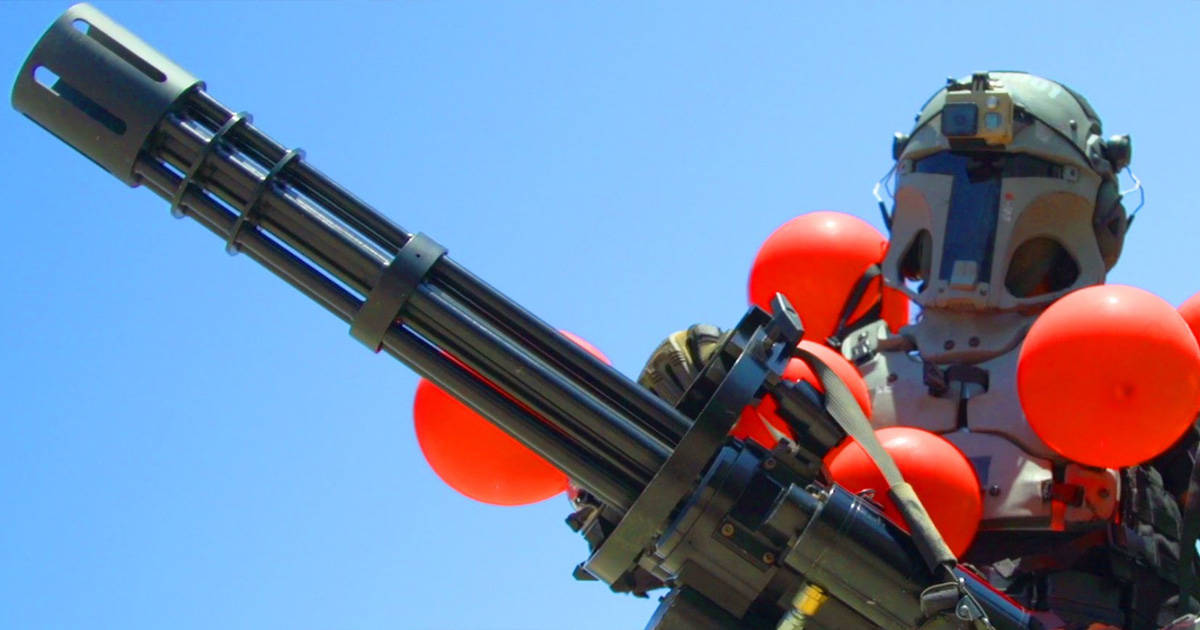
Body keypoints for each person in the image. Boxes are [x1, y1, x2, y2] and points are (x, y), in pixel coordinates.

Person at [638, 71, 1198, 630]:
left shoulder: (1146, 367)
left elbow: (644, 549)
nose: (974, 214)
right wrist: (689, 411)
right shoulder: (821, 380)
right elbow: (660, 544)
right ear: (1104, 220)